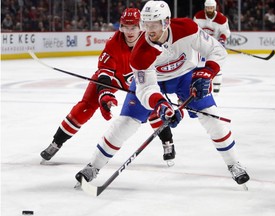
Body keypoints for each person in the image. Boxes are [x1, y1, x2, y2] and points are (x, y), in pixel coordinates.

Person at [75, 1, 249, 187]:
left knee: (211, 116)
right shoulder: (140, 53)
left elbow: (216, 49)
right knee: (125, 123)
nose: (148, 29)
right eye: (146, 24)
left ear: (166, 22)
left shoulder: (187, 28)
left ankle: (233, 164)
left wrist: (209, 71)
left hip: (185, 76)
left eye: (154, 24)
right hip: (154, 80)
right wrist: (160, 104)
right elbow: (146, 88)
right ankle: (93, 166)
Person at [40, 8, 176, 165]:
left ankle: (168, 142)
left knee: (152, 106)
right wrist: (105, 95)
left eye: (133, 27)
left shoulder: (151, 42)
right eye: (126, 27)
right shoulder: (113, 43)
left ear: (141, 27)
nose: (130, 31)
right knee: (86, 106)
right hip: (115, 79)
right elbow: (104, 74)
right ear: (121, 27)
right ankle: (56, 142)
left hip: (138, 80)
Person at [193, 0, 231, 93]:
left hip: (215, 46)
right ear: (205, 7)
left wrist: (222, 39)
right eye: (208, 8)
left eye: (211, 8)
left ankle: (216, 87)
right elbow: (194, 30)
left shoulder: (221, 19)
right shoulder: (198, 16)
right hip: (201, 45)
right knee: (198, 64)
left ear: (215, 7)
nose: (209, 10)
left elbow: (225, 32)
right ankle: (198, 84)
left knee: (215, 64)